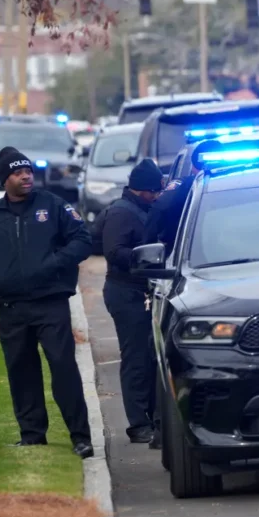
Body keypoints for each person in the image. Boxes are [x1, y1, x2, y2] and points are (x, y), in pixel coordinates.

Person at [0, 146, 94, 458]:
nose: (26, 177)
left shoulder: (53, 205)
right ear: (4, 179)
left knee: (63, 369)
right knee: (21, 372)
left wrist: (55, 263)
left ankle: (81, 437)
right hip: (11, 307)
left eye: (29, 172)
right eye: (18, 173)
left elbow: (82, 239)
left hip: (50, 304)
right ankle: (32, 435)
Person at [100, 159, 166, 445]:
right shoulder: (121, 214)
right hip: (126, 292)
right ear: (144, 190)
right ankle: (138, 424)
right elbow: (115, 251)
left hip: (140, 293)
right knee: (136, 358)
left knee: (150, 357)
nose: (158, 196)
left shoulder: (139, 208)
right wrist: (146, 260)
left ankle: (151, 418)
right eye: (155, 191)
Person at [145, 139, 221, 256]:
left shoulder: (182, 188)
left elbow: (159, 208)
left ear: (192, 167)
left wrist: (149, 249)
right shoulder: (187, 187)